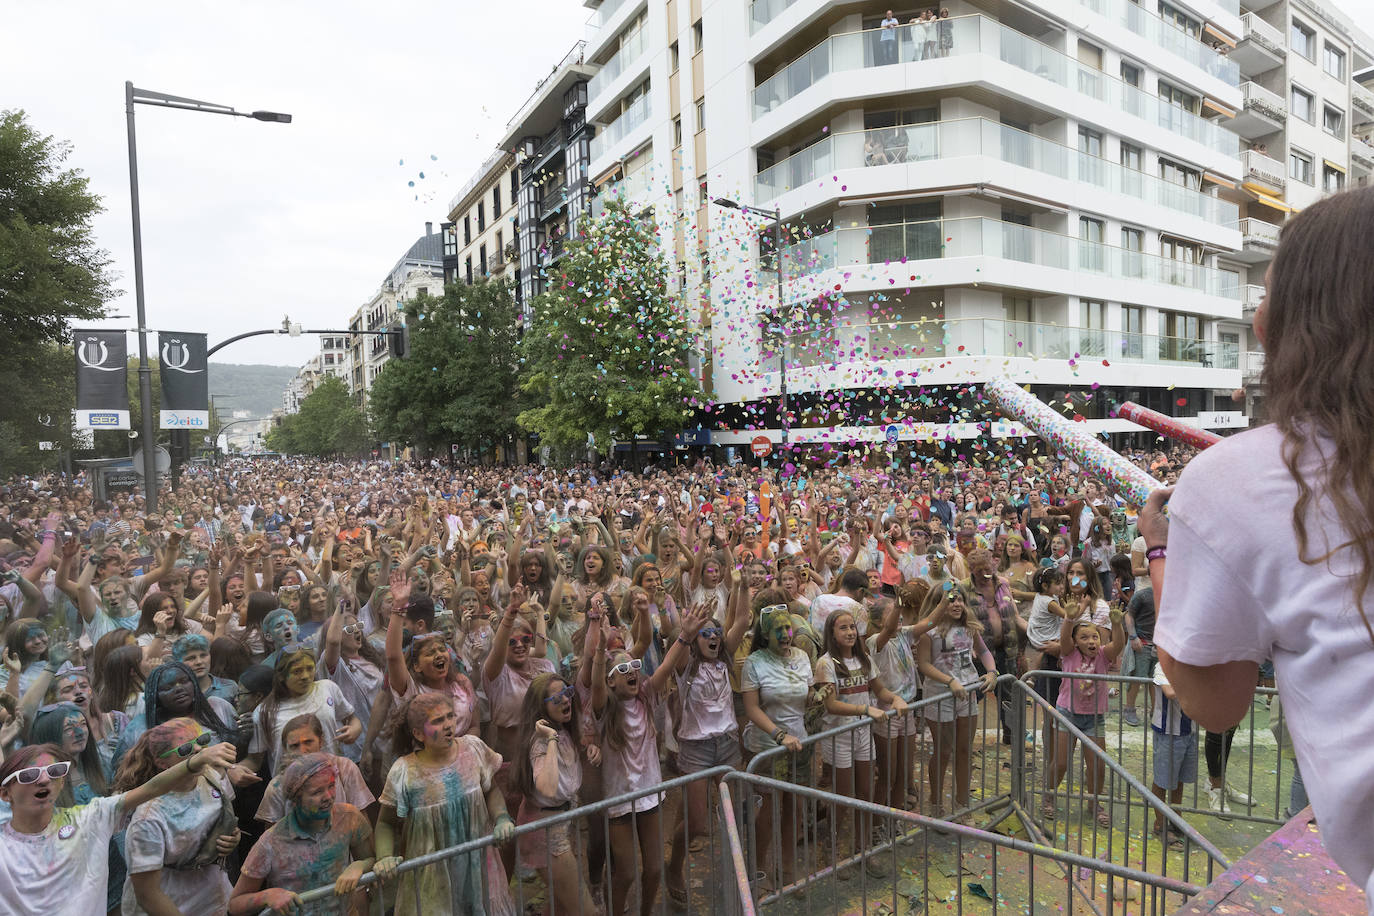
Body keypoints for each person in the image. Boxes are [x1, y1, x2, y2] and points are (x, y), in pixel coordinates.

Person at [1139, 191, 1374, 907]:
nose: (1255, 315)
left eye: (1266, 294)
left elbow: (1214, 701)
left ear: (1289, 326)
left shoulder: (1237, 480)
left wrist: (1161, 552)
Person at [0, 736, 235, 915]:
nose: (44, 779)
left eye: (54, 772)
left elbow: (152, 788)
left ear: (62, 783)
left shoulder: (91, 818)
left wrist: (194, 762)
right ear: (5, 794)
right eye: (29, 775)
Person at [374, 692, 516, 916]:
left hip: (479, 865)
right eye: (438, 720)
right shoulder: (404, 772)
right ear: (418, 733)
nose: (449, 724)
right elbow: (385, 823)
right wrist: (384, 858)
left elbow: (491, 790)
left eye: (450, 716)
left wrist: (502, 818)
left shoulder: (473, 749)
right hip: (432, 876)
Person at [115, 718, 242, 916]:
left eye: (202, 740)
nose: (199, 751)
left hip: (212, 893)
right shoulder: (149, 817)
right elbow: (147, 895)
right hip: (169, 901)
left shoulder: (212, 776)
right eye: (185, 749)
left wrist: (233, 837)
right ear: (161, 762)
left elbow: (222, 820)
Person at [814, 607, 905, 875]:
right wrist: (866, 709)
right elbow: (831, 705)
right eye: (843, 628)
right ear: (831, 633)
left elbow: (880, 690)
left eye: (852, 627)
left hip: (863, 734)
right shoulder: (826, 663)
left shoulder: (863, 658)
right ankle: (832, 852)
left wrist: (895, 699)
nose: (850, 632)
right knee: (843, 796)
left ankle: (862, 849)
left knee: (865, 792)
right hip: (839, 735)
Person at [231, 752, 376, 916]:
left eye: (331, 786)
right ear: (296, 799)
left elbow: (372, 860)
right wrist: (267, 896)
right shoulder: (271, 842)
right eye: (317, 792)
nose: (328, 797)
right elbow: (235, 904)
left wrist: (359, 866)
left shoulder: (349, 817)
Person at [740, 603, 814, 889]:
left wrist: (817, 697)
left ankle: (786, 868)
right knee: (767, 816)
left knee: (795, 810)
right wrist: (779, 735)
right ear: (765, 635)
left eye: (788, 627)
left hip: (800, 745)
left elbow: (806, 695)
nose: (785, 634)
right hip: (767, 749)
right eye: (778, 629)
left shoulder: (802, 657)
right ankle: (758, 872)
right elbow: (751, 708)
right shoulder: (754, 662)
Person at [511, 673, 598, 916]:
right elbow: (548, 787)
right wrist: (549, 739)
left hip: (560, 822)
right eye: (557, 698)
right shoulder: (541, 742)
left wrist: (592, 748)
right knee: (585, 911)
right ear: (541, 707)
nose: (566, 700)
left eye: (568, 693)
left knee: (560, 906)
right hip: (546, 832)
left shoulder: (564, 730)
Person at [916, 582, 996, 817]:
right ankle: (936, 802)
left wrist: (992, 672)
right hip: (940, 697)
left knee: (964, 750)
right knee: (943, 751)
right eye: (951, 599)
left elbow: (984, 651)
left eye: (960, 599)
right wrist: (949, 681)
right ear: (938, 604)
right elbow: (924, 664)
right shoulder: (929, 632)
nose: (957, 604)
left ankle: (963, 802)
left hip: (967, 694)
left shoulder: (969, 628)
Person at [1042, 601, 1125, 825]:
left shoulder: (1103, 655)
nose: (1091, 641)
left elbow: (1118, 645)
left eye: (1095, 637)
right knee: (1061, 763)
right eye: (1085, 637)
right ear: (1076, 642)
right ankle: (1048, 795)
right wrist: (1069, 619)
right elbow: (1064, 638)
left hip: (1094, 717)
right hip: (1067, 714)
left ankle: (1094, 802)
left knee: (1097, 765)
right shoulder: (1069, 654)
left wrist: (1117, 625)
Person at [1148, 662, 1194, 849]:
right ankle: (1161, 824)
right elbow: (1169, 692)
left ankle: (1176, 818)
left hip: (1189, 730)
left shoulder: (1192, 666)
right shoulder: (1162, 666)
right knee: (1162, 780)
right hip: (1167, 733)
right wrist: (1199, 689)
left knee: (1179, 780)